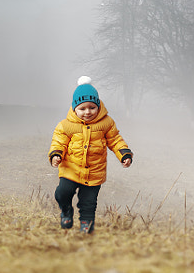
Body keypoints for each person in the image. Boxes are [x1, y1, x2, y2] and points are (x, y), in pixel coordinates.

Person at [49, 78, 132, 232]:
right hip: (70, 170)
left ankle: (86, 225)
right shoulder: (66, 125)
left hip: (94, 171)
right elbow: (58, 142)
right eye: (82, 108)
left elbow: (115, 140)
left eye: (92, 107)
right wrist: (56, 155)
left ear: (98, 106)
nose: (88, 112)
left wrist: (124, 154)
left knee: (89, 202)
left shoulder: (106, 123)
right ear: (74, 109)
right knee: (62, 193)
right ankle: (66, 210)